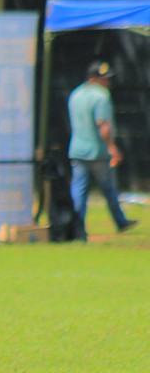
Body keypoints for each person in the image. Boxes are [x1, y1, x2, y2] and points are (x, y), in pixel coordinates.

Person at [67, 60, 139, 240]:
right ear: (93, 78)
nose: (107, 82)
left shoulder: (75, 94)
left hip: (77, 149)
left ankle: (77, 228)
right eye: (103, 78)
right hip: (97, 151)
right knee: (108, 187)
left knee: (79, 190)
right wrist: (112, 148)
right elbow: (103, 125)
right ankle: (120, 221)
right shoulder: (101, 96)